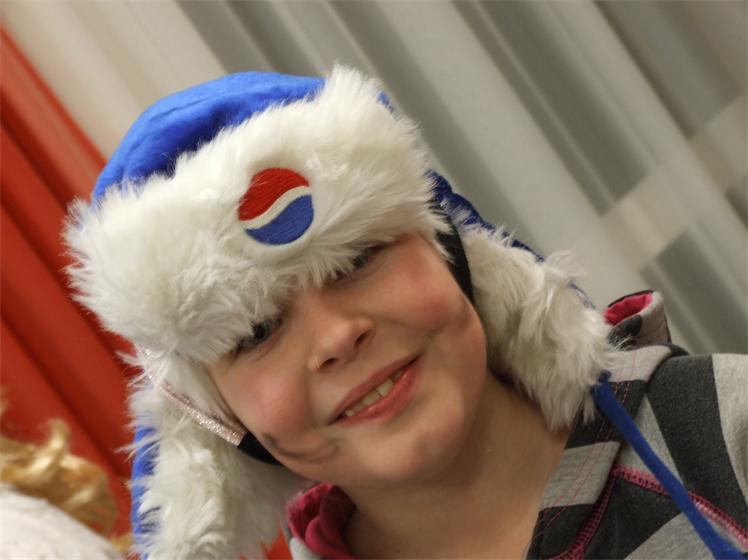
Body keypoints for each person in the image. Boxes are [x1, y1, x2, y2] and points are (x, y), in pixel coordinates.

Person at [64, 67, 747, 559]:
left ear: (455, 252)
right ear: (216, 422)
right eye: (258, 331)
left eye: (358, 259)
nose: (336, 336)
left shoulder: (722, 428)